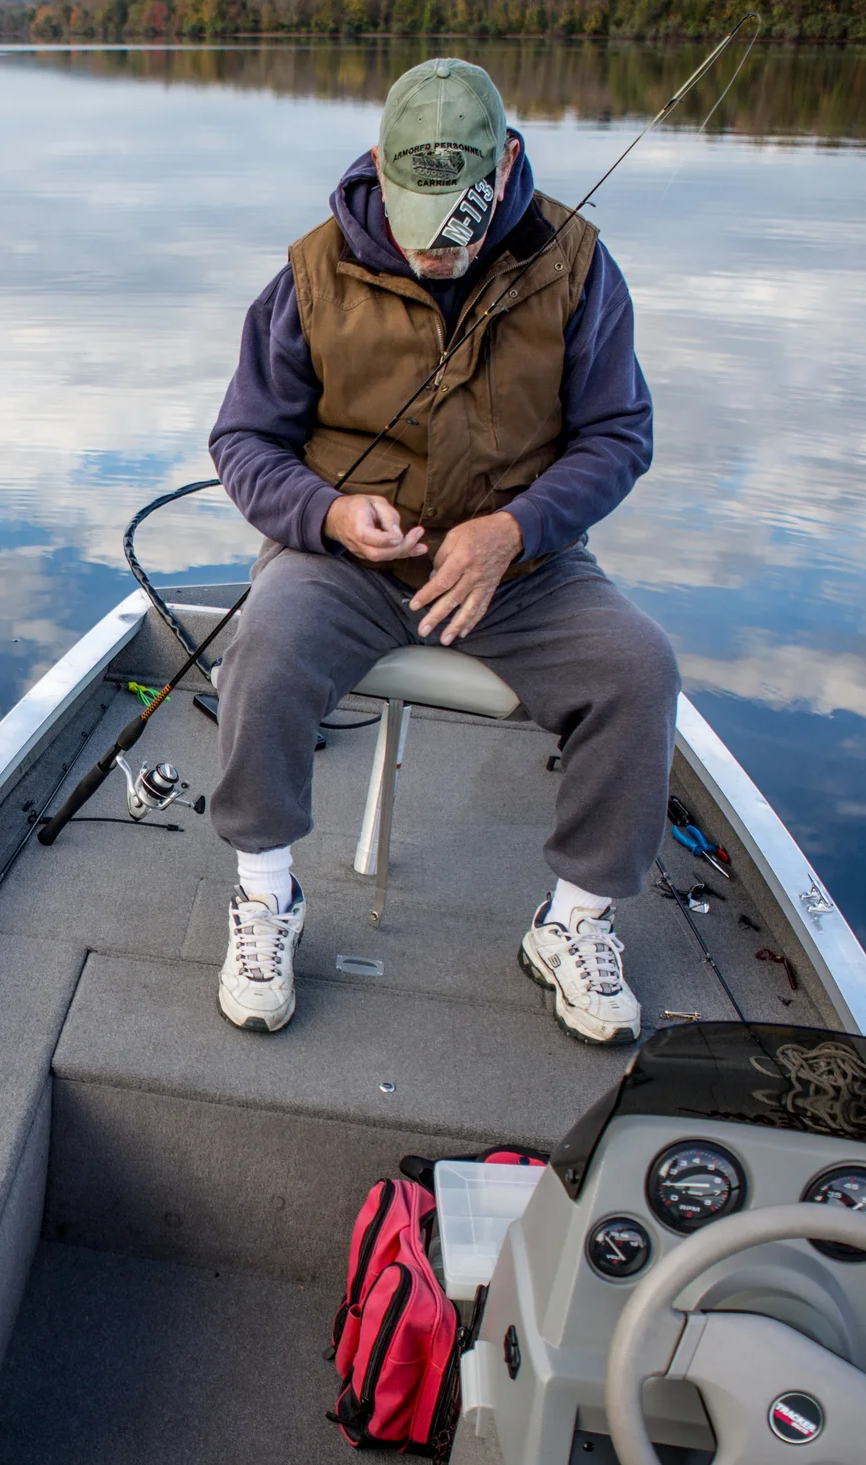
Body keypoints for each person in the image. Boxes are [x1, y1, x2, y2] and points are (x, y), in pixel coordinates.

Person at [205, 57, 676, 1047]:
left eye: (455, 226)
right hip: (345, 564)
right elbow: (243, 441)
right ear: (379, 164)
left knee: (637, 670)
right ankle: (264, 900)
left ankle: (574, 922)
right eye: (418, 226)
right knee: (265, 643)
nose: (434, 255)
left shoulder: (579, 264)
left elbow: (619, 434)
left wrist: (515, 530)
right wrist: (327, 515)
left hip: (524, 568)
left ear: (503, 166)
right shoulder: (307, 275)